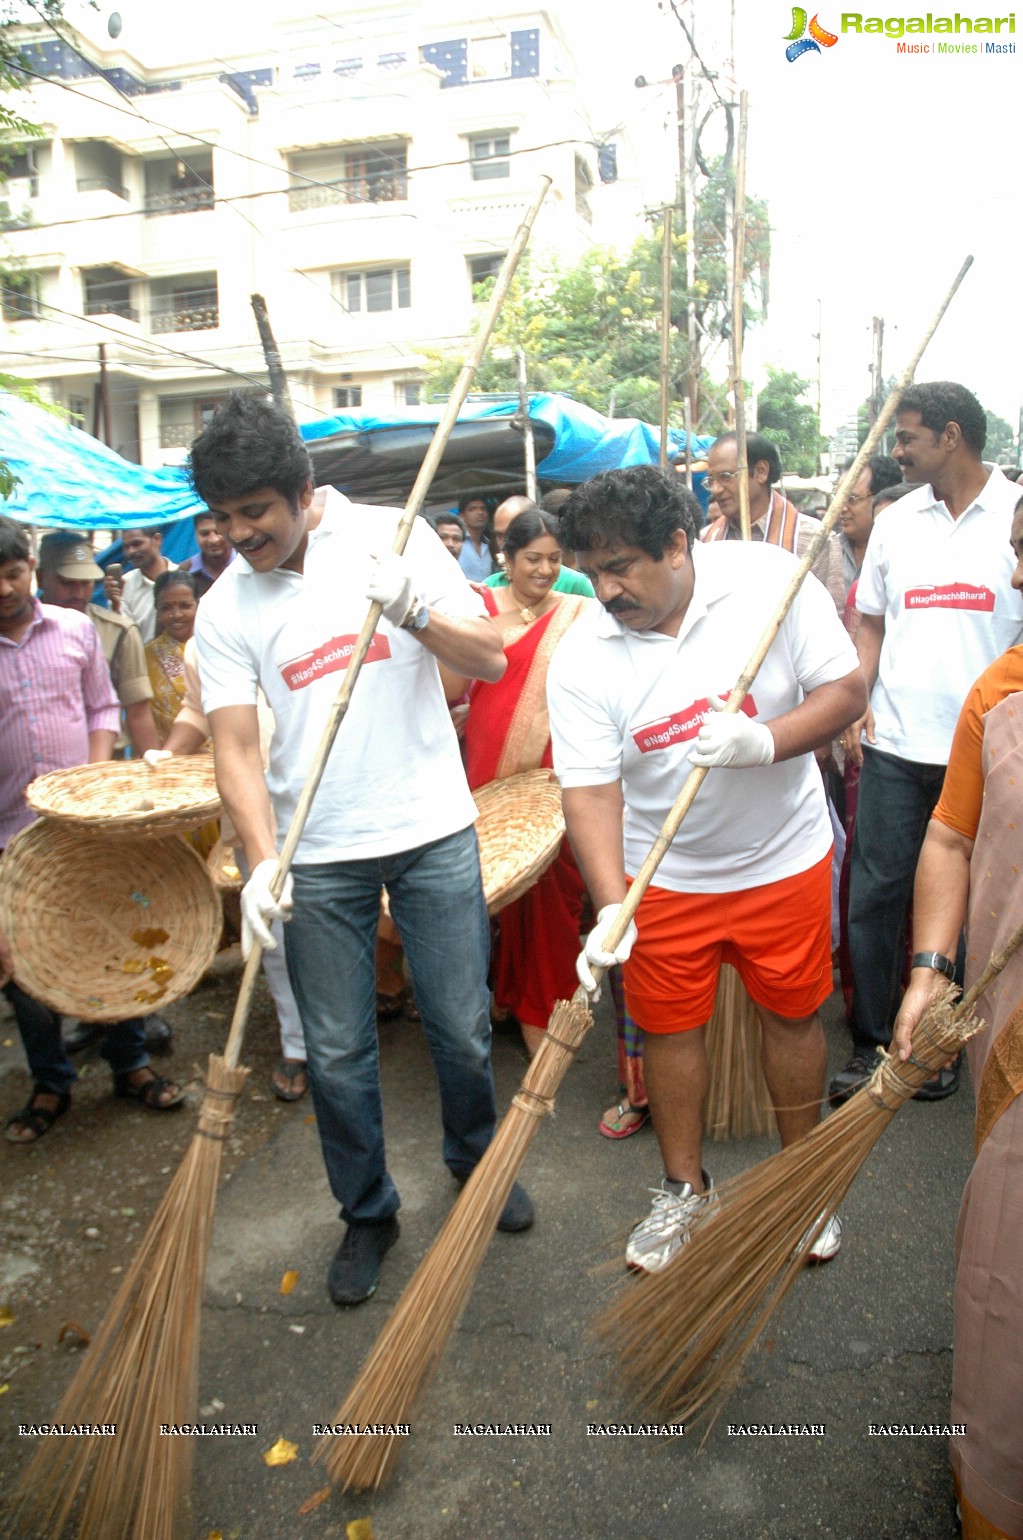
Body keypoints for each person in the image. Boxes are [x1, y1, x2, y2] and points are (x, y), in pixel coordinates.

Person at [189, 391, 534, 1309]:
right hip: (318, 854)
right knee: (338, 1052)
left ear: (303, 491)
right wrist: (262, 860)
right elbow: (232, 746)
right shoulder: (225, 608)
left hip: (431, 830)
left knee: (459, 1027)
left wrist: (415, 604)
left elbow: (491, 657)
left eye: (253, 512)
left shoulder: (397, 534)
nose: (237, 535)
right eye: (221, 518)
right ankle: (367, 1211)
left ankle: (474, 1161)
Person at [546, 466, 865, 1272]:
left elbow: (846, 689)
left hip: (780, 857)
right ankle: (683, 1190)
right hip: (667, 877)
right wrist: (612, 906)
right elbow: (589, 791)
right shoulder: (583, 655)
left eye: (622, 565)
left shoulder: (767, 580)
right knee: (668, 1030)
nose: (606, 587)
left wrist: (767, 740)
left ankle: (800, 1185)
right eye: (593, 567)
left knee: (791, 1018)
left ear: (680, 545)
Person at [831, 382, 1023, 1104]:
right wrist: (856, 697)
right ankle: (873, 1040)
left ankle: (942, 1042)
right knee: (874, 895)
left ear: (949, 436)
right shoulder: (894, 521)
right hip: (894, 747)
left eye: (906, 438)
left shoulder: (1014, 516)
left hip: (985, 754)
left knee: (975, 908)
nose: (896, 452)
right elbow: (871, 622)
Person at [892, 497, 1023, 1538]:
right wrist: (932, 968)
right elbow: (948, 838)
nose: (1017, 582)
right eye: (1017, 556)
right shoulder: (1003, 689)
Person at [0, 516, 182, 1142]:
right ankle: (52, 1081)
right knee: (26, 969)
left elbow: (106, 707)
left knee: (118, 939)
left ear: (29, 569)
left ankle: (129, 1063)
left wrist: (96, 777)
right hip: (13, 835)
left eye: (12, 573)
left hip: (90, 823)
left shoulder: (77, 629)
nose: (3, 587)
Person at [145, 636, 309, 1102]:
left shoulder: (309, 618)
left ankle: (344, 1036)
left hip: (321, 805)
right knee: (274, 936)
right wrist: (169, 753)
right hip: (251, 812)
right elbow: (197, 711)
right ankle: (296, 1044)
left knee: (331, 927)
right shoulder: (208, 642)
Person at [458, 508, 590, 1056]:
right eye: (532, 558)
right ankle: (505, 991)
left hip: (554, 772)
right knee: (496, 885)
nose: (545, 570)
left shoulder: (578, 611)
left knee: (553, 890)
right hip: (486, 768)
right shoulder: (474, 609)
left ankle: (545, 1006)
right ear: (504, 558)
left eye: (555, 559)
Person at [35, 529, 159, 756]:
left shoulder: (118, 631)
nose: (79, 593)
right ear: (42, 577)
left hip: (106, 768)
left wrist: (156, 778)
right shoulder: (17, 633)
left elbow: (138, 712)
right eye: (68, 583)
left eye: (86, 583)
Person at [701, 431, 845, 613]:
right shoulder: (706, 540)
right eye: (711, 480)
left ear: (761, 471)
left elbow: (830, 620)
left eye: (725, 477)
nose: (716, 489)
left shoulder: (814, 539)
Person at [486, 500, 595, 598]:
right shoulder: (488, 589)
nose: (545, 570)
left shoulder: (575, 585)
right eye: (499, 535)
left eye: (554, 558)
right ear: (509, 557)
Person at [836, 454, 903, 596]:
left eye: (851, 499)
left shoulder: (903, 553)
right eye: (838, 499)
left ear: (882, 498)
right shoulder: (828, 551)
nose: (842, 508)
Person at [104, 525, 177, 643]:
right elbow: (122, 640)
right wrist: (115, 606)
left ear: (157, 540)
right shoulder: (124, 586)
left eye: (137, 544)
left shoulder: (183, 577)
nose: (131, 551)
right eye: (126, 547)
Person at [182, 509, 235, 598]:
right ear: (195, 535)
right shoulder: (184, 572)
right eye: (205, 534)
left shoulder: (248, 564)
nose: (213, 540)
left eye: (218, 532)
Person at [456, 492, 494, 582]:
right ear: (462, 516)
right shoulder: (456, 543)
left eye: (483, 509)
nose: (480, 512)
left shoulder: (491, 546)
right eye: (472, 509)